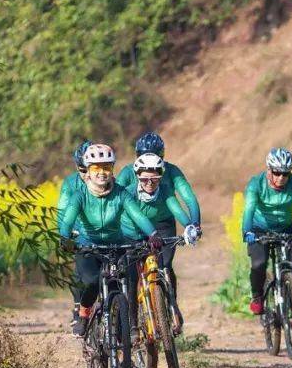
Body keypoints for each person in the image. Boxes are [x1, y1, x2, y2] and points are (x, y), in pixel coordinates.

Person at [57, 143, 162, 336]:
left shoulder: (120, 193)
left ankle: (125, 324)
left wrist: (152, 234)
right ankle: (84, 313)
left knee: (124, 281)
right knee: (91, 281)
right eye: (96, 168)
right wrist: (65, 238)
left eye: (106, 167)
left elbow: (137, 215)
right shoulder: (80, 196)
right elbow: (68, 219)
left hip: (115, 245)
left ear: (112, 169)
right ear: (88, 170)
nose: (102, 173)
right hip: (87, 246)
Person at [124, 153, 200, 333]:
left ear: (161, 176)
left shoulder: (165, 190)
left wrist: (190, 226)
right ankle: (133, 324)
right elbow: (133, 215)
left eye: (155, 178)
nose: (150, 183)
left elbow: (176, 208)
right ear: (137, 176)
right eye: (144, 179)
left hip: (158, 232)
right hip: (131, 234)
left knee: (163, 266)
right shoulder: (127, 192)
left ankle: (169, 306)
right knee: (131, 278)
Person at [241, 148, 292, 315]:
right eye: (277, 173)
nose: (281, 178)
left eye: (286, 174)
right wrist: (247, 231)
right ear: (268, 170)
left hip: (286, 228)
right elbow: (248, 209)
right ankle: (257, 297)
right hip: (259, 229)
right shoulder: (256, 184)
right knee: (259, 263)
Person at [117, 131, 202, 233]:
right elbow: (116, 201)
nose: (150, 162)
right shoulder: (127, 172)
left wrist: (195, 224)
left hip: (164, 223)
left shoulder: (172, 171)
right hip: (134, 225)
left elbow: (189, 198)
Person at [58, 140, 90, 333]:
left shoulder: (109, 181)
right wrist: (65, 235)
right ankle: (79, 308)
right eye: (82, 169)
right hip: (78, 230)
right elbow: (62, 212)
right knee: (80, 275)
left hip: (103, 233)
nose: (87, 174)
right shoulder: (70, 183)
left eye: (91, 169)